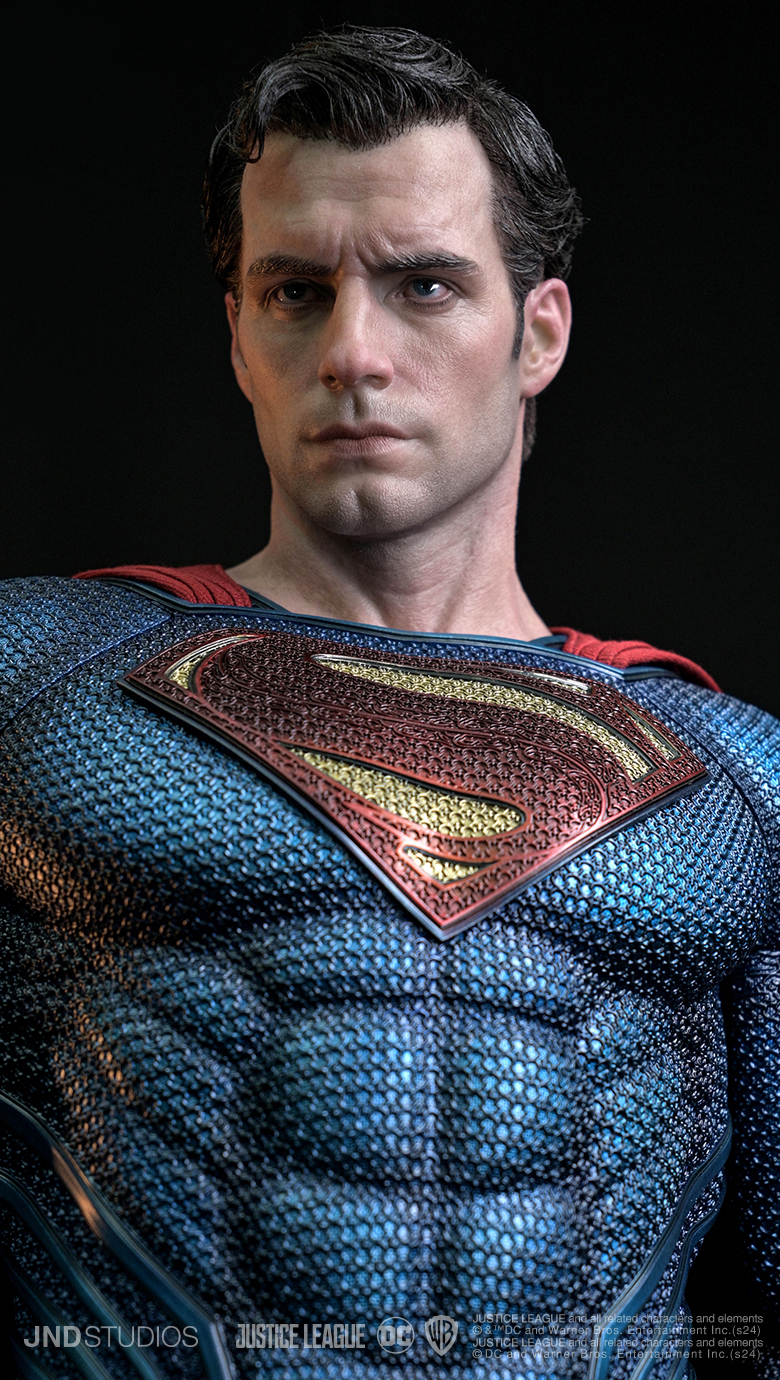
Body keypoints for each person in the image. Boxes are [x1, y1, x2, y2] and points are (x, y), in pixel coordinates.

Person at [0, 25, 777, 1380]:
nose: (354, 352)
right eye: (297, 292)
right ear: (238, 337)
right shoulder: (29, 676)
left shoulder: (738, 779)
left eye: (424, 286)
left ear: (539, 333)